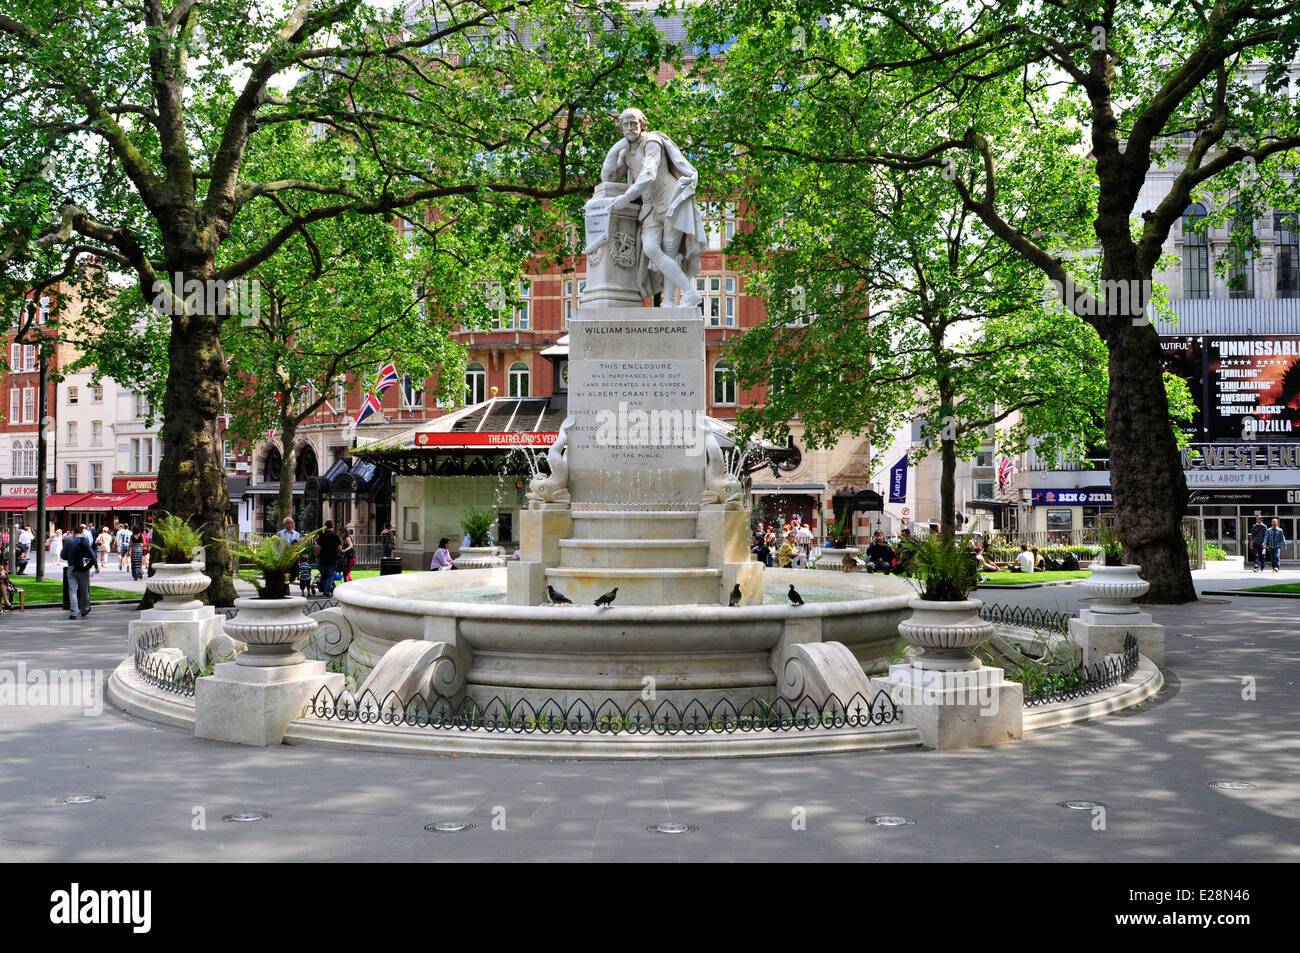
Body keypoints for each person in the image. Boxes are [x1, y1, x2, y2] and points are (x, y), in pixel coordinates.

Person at [602, 107, 706, 308]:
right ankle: (690, 292)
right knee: (650, 248)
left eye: (634, 123)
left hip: (670, 201)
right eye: (626, 124)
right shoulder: (626, 151)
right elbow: (608, 177)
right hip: (650, 207)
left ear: (642, 124)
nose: (631, 127)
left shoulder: (652, 141)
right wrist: (615, 149)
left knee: (668, 252)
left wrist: (626, 198)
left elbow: (649, 173)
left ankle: (668, 302)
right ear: (621, 128)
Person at [61, 527, 97, 619]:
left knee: (72, 591)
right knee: (84, 590)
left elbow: (63, 556)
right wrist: (96, 566)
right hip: (83, 568)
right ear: (82, 533)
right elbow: (92, 554)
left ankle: (74, 612)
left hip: (71, 568)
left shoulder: (68, 542)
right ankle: (85, 608)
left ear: (73, 532)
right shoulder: (85, 541)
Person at [276, 517, 302, 596]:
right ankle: (286, 591)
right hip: (283, 558)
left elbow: (299, 546)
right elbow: (276, 546)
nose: (290, 524)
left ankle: (285, 590)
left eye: (291, 523)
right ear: (285, 524)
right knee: (284, 575)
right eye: (288, 522)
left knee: (291, 576)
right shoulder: (280, 534)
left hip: (292, 559)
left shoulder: (297, 534)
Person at [316, 520, 342, 597]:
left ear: (325, 527)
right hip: (332, 558)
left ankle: (325, 590)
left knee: (324, 576)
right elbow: (340, 548)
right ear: (333, 526)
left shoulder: (321, 536)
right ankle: (326, 592)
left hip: (323, 558)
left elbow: (317, 548)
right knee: (330, 576)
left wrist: (318, 557)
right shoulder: (336, 536)